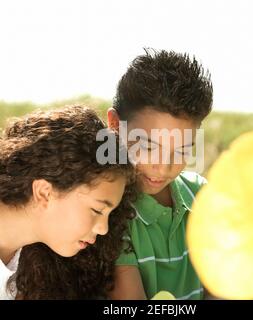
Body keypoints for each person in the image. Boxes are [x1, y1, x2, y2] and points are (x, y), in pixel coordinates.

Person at [107, 49, 213, 299]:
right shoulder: (108, 213)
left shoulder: (201, 194)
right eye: (148, 146)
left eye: (182, 150)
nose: (164, 168)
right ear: (114, 124)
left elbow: (219, 287)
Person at [0, 105, 136, 299]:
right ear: (44, 193)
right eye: (97, 210)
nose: (103, 229)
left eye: (109, 214)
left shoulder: (36, 266)